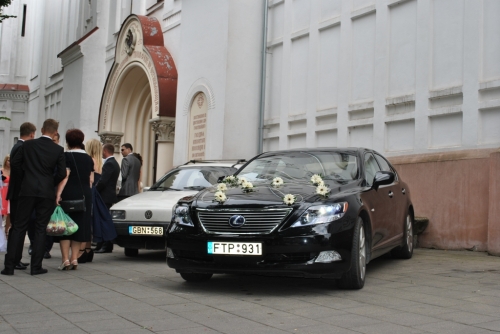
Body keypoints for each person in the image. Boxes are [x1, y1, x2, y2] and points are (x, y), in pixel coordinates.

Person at [2, 119, 66, 276]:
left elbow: (15, 164)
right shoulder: (58, 150)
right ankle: (36, 267)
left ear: (42, 129)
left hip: (27, 190)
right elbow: (62, 173)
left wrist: (26, 178)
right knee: (40, 228)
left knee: (18, 226)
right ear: (56, 132)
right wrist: (50, 182)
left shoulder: (27, 145)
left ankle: (9, 266)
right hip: (45, 192)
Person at [55, 129, 94, 271]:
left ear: (68, 141)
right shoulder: (89, 158)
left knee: (66, 227)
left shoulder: (66, 156)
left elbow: (65, 176)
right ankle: (75, 258)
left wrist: (58, 194)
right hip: (85, 195)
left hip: (69, 193)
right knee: (79, 226)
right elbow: (91, 180)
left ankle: (65, 260)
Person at [5, 122, 37, 270]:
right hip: (19, 192)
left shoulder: (17, 146)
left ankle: (15, 258)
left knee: (17, 227)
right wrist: (26, 178)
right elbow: (17, 165)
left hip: (16, 191)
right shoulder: (22, 147)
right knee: (18, 227)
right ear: (31, 134)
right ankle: (13, 258)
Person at [78, 138, 103, 260]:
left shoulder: (90, 160)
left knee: (85, 221)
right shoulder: (99, 162)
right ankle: (88, 249)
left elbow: (90, 180)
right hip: (96, 194)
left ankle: (82, 250)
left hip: (89, 192)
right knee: (90, 222)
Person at [94, 143, 120, 253]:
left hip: (105, 196)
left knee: (104, 220)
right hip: (108, 195)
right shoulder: (114, 163)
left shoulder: (109, 164)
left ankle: (106, 245)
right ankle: (100, 244)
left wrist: (95, 190)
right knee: (102, 219)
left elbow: (103, 181)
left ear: (105, 151)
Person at [1, 155, 10, 236]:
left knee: (9, 213)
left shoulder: (13, 171)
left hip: (9, 192)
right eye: (8, 160)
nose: (9, 162)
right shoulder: (1, 170)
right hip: (2, 191)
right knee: (2, 212)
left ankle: (6, 231)